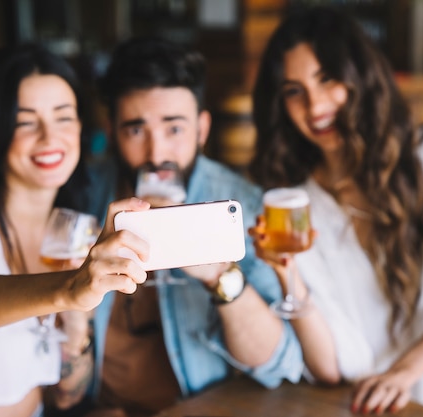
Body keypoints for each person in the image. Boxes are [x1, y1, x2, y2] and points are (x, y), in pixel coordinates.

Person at [250, 6, 423, 417]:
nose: (315, 105)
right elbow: (330, 366)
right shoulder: (298, 205)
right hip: (375, 405)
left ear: (361, 76)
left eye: (327, 79)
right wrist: (288, 274)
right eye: (293, 90)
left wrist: (404, 373)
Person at [0, 43, 152, 417]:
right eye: (25, 121)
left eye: (63, 117)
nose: (50, 137)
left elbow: (67, 396)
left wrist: (76, 322)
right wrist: (70, 289)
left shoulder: (70, 236)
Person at [77, 37, 304, 416]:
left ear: (202, 129)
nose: (156, 153)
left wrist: (218, 274)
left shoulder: (240, 206)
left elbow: (280, 365)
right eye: (135, 130)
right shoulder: (85, 193)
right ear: (112, 130)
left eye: (175, 129)